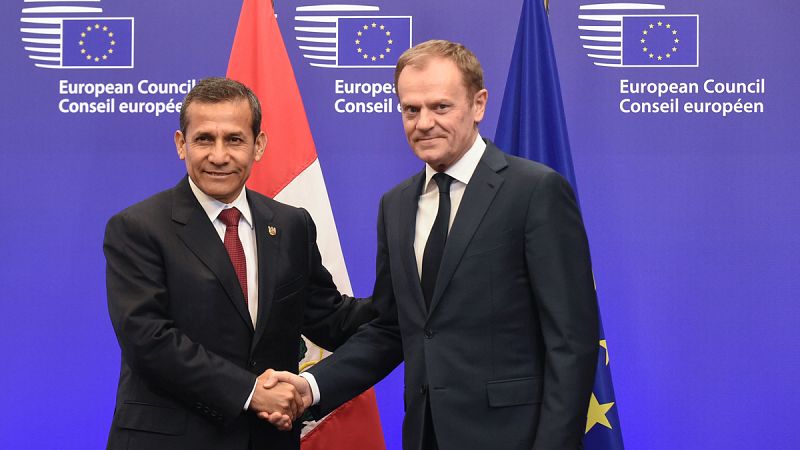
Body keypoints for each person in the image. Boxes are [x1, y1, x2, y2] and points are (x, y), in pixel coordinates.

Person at [265, 40, 600, 449]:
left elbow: (572, 341)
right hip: (426, 436)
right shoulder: (397, 205)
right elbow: (392, 328)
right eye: (411, 109)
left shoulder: (534, 191)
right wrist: (310, 388)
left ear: (478, 105)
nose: (423, 123)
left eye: (440, 107)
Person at [103, 77, 374, 450]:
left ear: (257, 145)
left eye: (234, 139)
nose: (218, 155)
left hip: (266, 440)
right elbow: (148, 341)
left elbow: (329, 317)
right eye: (204, 139)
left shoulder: (291, 223)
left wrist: (409, 301)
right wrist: (251, 392)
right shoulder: (138, 228)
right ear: (181, 145)